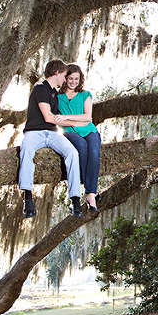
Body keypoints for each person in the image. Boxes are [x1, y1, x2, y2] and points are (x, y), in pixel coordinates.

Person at [19, 59, 83, 218]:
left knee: (72, 153)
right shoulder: (40, 89)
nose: (65, 79)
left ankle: (75, 201)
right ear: (57, 73)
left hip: (53, 134)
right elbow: (48, 116)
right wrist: (73, 122)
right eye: (64, 75)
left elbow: (73, 93)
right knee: (26, 150)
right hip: (35, 132)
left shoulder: (56, 93)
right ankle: (28, 198)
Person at [56, 64, 101, 211]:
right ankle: (85, 184)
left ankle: (91, 193)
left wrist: (66, 118)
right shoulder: (58, 98)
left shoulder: (85, 95)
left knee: (94, 152)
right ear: (65, 78)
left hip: (89, 130)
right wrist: (74, 121)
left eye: (76, 78)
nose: (73, 82)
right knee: (81, 147)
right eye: (70, 78)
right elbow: (57, 121)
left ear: (80, 79)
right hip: (70, 132)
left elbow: (87, 117)